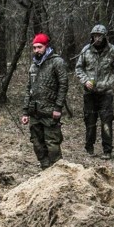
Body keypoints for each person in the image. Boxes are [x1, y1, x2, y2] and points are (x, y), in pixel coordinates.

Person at [75, 23, 114, 159]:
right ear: (92, 36)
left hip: (105, 93)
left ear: (104, 37)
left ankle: (107, 150)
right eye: (95, 35)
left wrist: (110, 78)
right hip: (89, 93)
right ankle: (89, 147)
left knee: (106, 122)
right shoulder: (86, 50)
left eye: (100, 36)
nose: (97, 38)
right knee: (90, 121)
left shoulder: (112, 50)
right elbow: (78, 68)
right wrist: (85, 80)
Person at [21, 32, 68, 169]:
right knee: (37, 144)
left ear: (46, 47)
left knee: (52, 143)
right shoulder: (33, 66)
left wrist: (58, 108)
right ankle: (45, 169)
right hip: (34, 112)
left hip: (50, 111)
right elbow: (28, 89)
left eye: (39, 47)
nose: (37, 50)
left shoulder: (57, 62)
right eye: (34, 47)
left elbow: (63, 85)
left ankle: (58, 171)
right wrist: (25, 112)